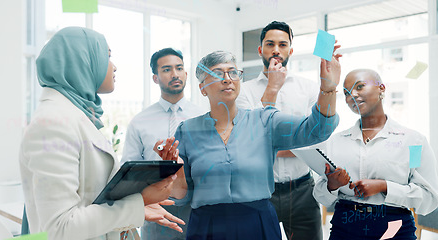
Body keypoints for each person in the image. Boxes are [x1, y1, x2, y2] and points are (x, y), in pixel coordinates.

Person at [155, 49, 342, 239]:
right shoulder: (187, 131)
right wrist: (175, 169)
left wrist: (327, 89)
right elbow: (182, 196)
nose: (227, 79)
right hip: (206, 226)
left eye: (233, 72)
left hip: (257, 223)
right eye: (218, 73)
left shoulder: (265, 121)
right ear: (202, 87)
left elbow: (317, 129)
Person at [19, 27, 184, 240]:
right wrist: (138, 203)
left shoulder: (74, 116)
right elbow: (59, 229)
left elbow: (92, 195)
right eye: (107, 57)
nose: (113, 67)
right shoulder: (52, 123)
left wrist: (140, 196)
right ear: (83, 62)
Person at [313, 69, 438, 240]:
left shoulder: (413, 142)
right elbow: (320, 196)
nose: (353, 96)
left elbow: (428, 198)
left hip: (394, 228)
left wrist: (384, 186)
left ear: (382, 88)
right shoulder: (336, 142)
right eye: (347, 93)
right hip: (345, 228)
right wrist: (331, 186)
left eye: (360, 86)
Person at [236, 20, 323, 239]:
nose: (276, 50)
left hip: (303, 190)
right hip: (260, 190)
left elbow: (316, 139)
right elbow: (248, 139)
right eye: (270, 44)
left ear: (290, 50)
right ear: (260, 50)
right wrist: (297, 143)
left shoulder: (309, 89)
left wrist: (269, 146)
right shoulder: (243, 92)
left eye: (283, 44)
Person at [122, 48, 203, 240]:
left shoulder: (203, 117)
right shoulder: (139, 122)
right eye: (166, 69)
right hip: (156, 212)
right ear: (155, 78)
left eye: (179, 68)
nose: (174, 74)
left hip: (197, 210)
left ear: (185, 73)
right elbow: (128, 170)